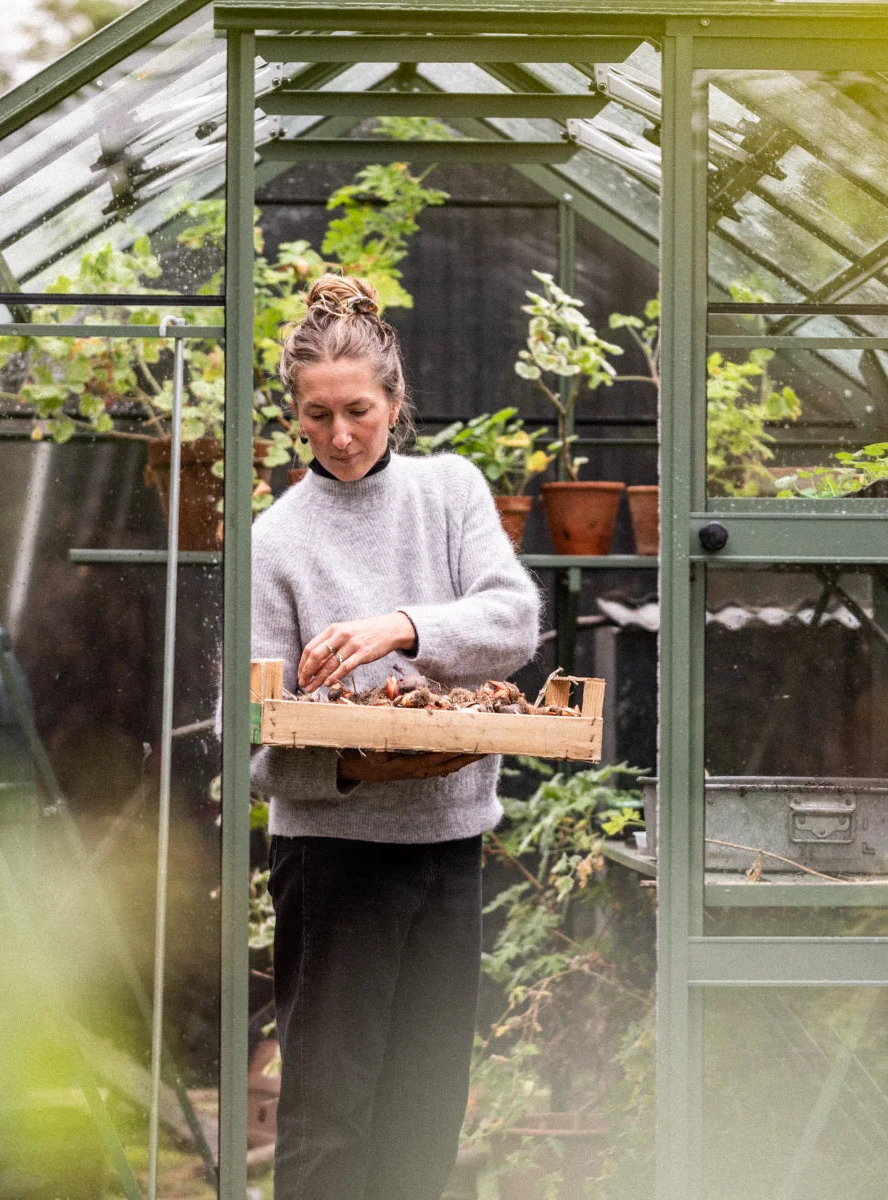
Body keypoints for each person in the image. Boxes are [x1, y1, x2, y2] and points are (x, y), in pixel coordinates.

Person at [251, 273, 541, 1200]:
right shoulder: (277, 539)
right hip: (333, 858)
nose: (341, 436)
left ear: (395, 402)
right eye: (319, 415)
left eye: (360, 412)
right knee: (330, 1114)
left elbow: (514, 622)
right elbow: (251, 729)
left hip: (449, 847)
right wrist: (346, 757)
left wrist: (401, 627)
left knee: (427, 1106)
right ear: (295, 414)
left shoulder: (450, 491)